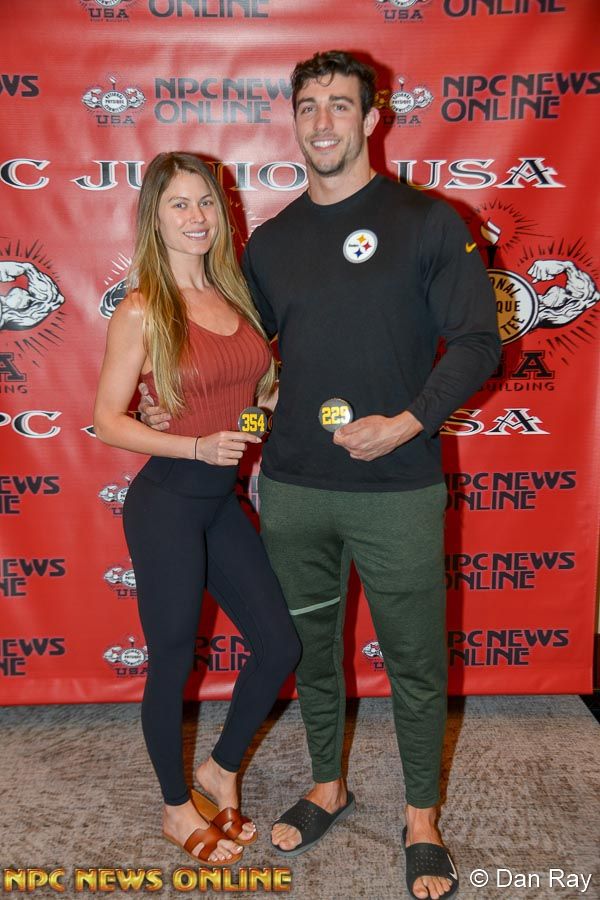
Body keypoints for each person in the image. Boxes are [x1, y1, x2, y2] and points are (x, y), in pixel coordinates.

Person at [141, 52, 501, 900]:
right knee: (310, 654)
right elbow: (242, 359)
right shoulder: (271, 243)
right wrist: (171, 413)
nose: (323, 122)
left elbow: (478, 342)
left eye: (341, 105)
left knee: (415, 661)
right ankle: (328, 786)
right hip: (294, 489)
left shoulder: (429, 222)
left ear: (372, 119)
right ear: (295, 121)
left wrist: (408, 421)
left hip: (398, 487)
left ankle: (421, 819)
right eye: (308, 106)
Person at [94, 151, 300, 865]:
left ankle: (219, 769)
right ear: (154, 216)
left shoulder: (234, 295)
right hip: (168, 506)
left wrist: (273, 407)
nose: (196, 216)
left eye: (206, 202)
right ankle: (175, 808)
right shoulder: (142, 308)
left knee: (279, 645)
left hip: (219, 503)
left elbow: (248, 395)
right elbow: (108, 420)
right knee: (173, 658)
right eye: (179, 204)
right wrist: (194, 445)